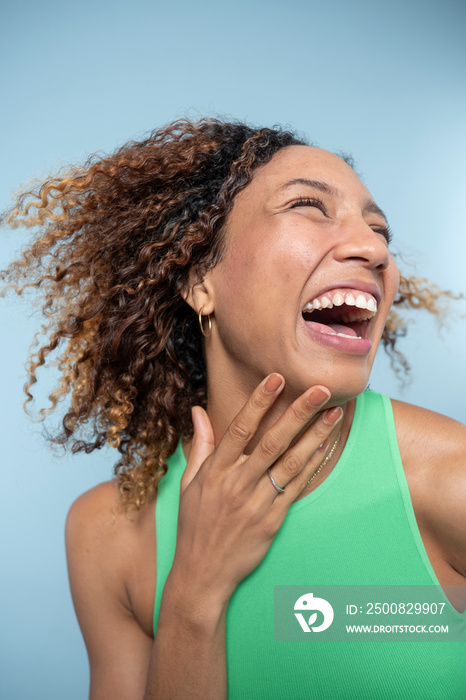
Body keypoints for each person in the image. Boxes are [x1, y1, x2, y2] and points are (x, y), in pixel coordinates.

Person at [1, 119, 465, 699]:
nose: (374, 250)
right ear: (200, 279)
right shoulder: (108, 536)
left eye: (380, 232)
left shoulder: (454, 481)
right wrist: (193, 591)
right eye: (308, 205)